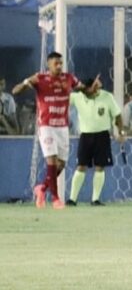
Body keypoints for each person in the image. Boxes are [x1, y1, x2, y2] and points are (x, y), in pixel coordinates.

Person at [11, 51, 84, 209]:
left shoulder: (69, 78)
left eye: (60, 63)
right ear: (48, 64)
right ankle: (56, 199)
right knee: (51, 161)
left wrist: (92, 87)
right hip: (46, 126)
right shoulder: (40, 79)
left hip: (63, 127)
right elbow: (15, 91)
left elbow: (84, 89)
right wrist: (26, 82)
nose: (59, 66)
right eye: (55, 63)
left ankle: (41, 188)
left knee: (61, 164)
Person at [67, 76, 126, 206]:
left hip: (102, 135)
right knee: (81, 166)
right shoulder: (77, 97)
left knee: (100, 166)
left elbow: (117, 116)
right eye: (86, 92)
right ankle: (72, 199)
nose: (88, 94)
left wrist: (121, 132)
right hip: (85, 136)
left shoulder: (107, 97)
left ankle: (95, 199)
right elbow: (62, 98)